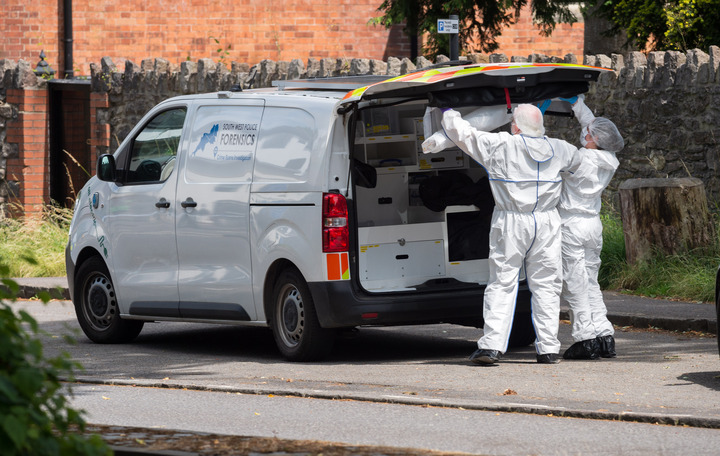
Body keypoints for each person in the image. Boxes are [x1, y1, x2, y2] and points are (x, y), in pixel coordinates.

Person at [439, 103, 583, 365]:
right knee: (547, 285)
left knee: (503, 281)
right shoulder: (561, 148)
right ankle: (548, 349)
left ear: (515, 126)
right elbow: (579, 164)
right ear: (540, 126)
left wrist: (447, 110)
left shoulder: (501, 145)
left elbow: (464, 134)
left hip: (511, 220)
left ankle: (492, 346)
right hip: (547, 220)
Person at [559, 95, 624, 359]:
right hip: (592, 225)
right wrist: (578, 105)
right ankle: (604, 335)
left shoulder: (578, 159)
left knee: (575, 283)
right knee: (591, 281)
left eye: (586, 133)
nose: (583, 132)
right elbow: (594, 126)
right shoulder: (609, 159)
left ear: (593, 139)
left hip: (571, 224)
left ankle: (585, 338)